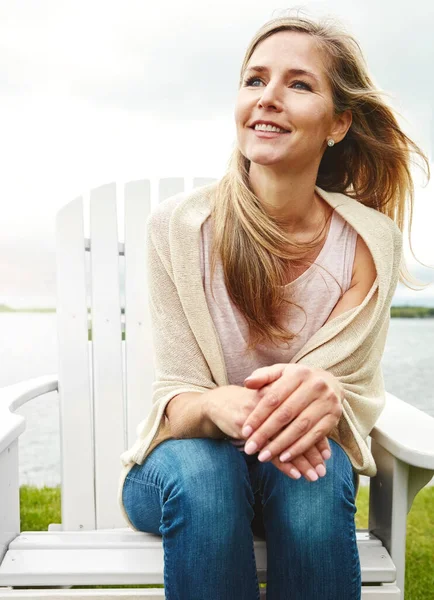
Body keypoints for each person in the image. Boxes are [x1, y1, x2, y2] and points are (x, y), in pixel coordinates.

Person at [118, 13, 430, 600]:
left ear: (339, 124)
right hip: (178, 476)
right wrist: (218, 407)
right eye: (255, 80)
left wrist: (327, 393)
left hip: (297, 475)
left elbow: (346, 391)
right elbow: (175, 397)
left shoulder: (367, 245)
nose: (269, 99)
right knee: (205, 469)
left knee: (311, 474)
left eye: (299, 84)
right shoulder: (181, 229)